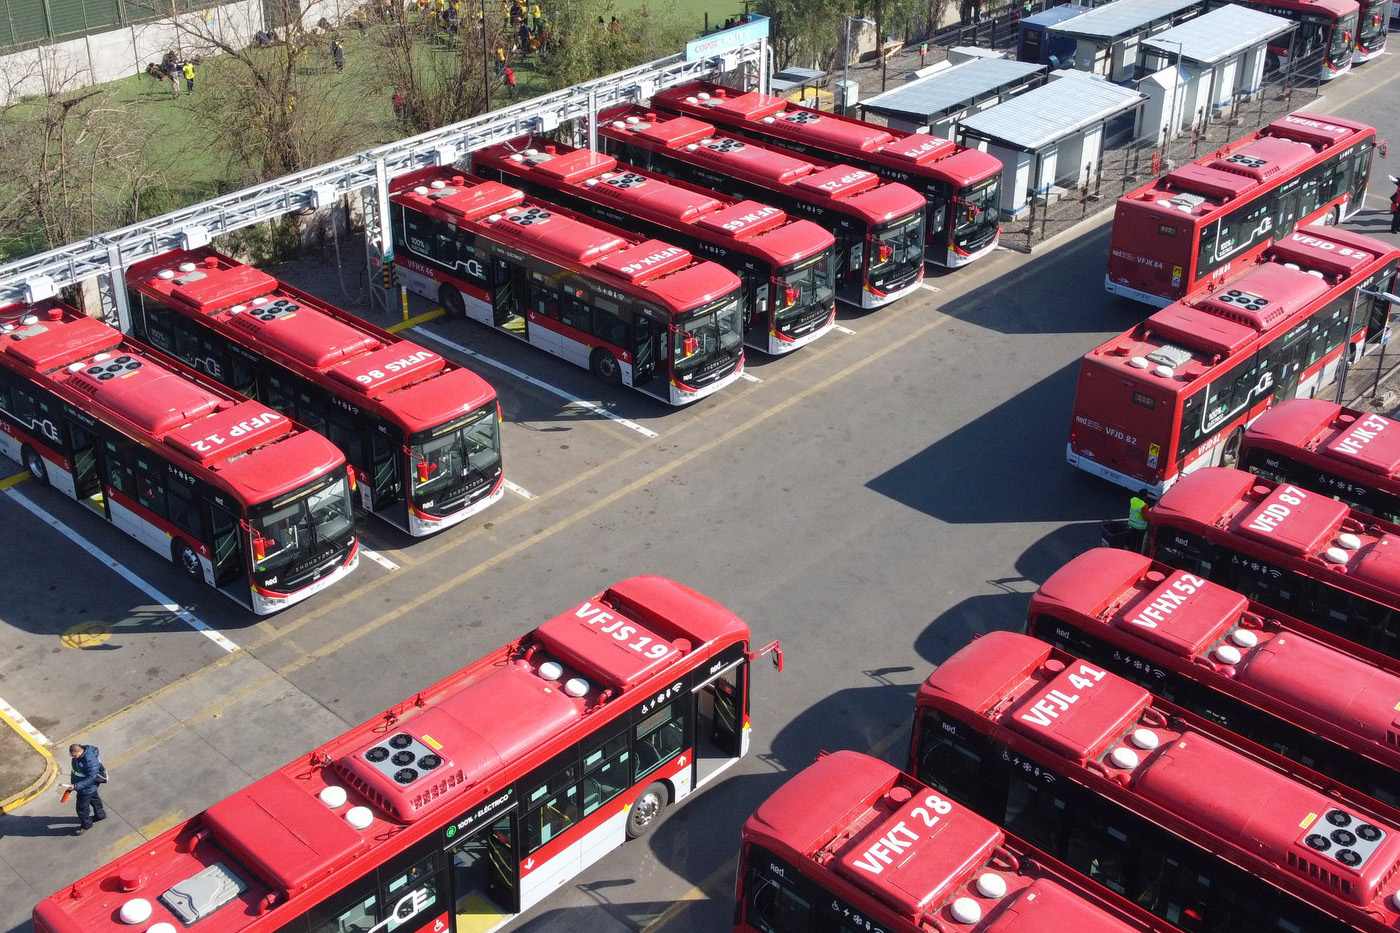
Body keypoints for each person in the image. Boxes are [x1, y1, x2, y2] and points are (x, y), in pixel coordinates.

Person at [65, 743, 107, 834]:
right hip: (85, 786)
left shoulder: (89, 761)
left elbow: (91, 778)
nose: (74, 757)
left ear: (79, 751)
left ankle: (86, 824)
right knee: (94, 799)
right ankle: (100, 814)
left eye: (75, 755)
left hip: (86, 787)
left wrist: (76, 786)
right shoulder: (79, 757)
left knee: (81, 808)